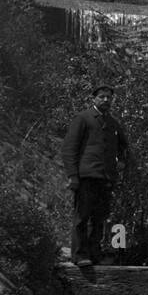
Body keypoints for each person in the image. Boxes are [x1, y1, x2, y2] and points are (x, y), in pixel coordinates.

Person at [61, 83, 130, 267]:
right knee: (82, 217)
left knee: (100, 218)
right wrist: (72, 176)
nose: (106, 100)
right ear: (94, 98)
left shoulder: (113, 123)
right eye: (102, 96)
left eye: (109, 97)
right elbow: (69, 148)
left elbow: (123, 145)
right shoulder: (83, 118)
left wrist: (121, 160)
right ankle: (79, 255)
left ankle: (94, 254)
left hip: (106, 178)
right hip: (86, 176)